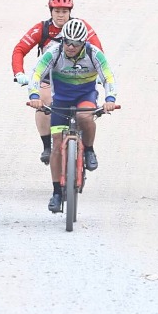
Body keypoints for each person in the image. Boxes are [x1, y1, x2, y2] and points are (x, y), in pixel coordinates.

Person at [27, 18, 118, 214]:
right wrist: (34, 96)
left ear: (84, 43)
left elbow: (108, 76)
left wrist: (110, 98)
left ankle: (89, 150)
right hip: (61, 98)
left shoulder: (95, 54)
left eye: (76, 43)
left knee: (86, 117)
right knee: (57, 144)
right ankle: (57, 192)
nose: (70, 46)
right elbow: (36, 73)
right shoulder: (54, 52)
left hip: (85, 95)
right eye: (67, 41)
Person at [11, 0, 105, 164]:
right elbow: (20, 49)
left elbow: (97, 50)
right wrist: (19, 73)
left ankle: (89, 148)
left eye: (64, 11)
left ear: (70, 11)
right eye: (57, 11)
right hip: (49, 76)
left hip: (77, 74)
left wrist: (100, 76)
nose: (61, 15)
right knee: (43, 101)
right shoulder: (43, 29)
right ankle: (47, 146)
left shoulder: (81, 26)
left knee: (85, 113)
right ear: (50, 11)